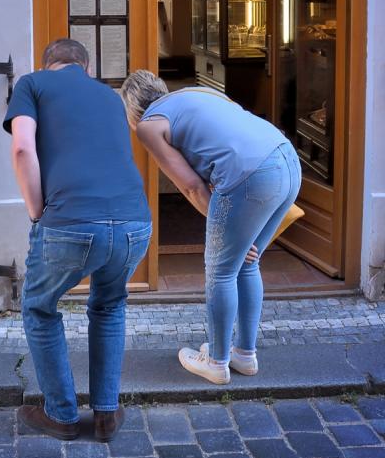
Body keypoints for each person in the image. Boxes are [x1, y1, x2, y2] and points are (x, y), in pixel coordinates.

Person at [3, 39, 151, 440]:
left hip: (71, 221)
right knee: (109, 305)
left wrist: (37, 211)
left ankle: (62, 415)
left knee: (39, 307)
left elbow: (22, 149)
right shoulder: (110, 96)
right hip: (135, 223)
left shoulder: (32, 84)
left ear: (47, 65)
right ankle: (106, 414)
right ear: (86, 68)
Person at [120, 71, 301, 385]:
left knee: (221, 270)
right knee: (248, 262)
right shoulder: (196, 92)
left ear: (132, 109)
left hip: (252, 175)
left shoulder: (149, 125)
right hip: (287, 159)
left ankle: (216, 362)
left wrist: (225, 227)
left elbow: (191, 186)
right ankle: (244, 354)